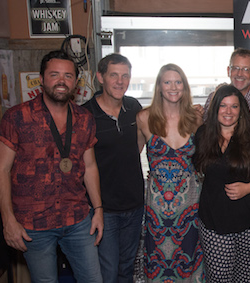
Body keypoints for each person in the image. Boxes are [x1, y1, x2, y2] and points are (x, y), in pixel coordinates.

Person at [0, 50, 103, 282]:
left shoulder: (85, 119)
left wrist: (99, 210)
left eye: (68, 76)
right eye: (55, 75)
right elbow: (1, 170)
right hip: (34, 223)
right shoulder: (16, 117)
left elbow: (90, 167)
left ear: (76, 82)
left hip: (77, 219)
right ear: (42, 79)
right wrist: (8, 220)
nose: (62, 81)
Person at [136, 63, 204, 282]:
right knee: (157, 262)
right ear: (159, 87)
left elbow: (204, 160)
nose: (173, 87)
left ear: (184, 87)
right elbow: (131, 157)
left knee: (189, 259)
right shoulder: (144, 118)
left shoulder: (195, 119)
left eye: (178, 82)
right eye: (167, 82)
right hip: (157, 207)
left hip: (190, 206)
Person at [82, 53, 144, 283]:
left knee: (126, 269)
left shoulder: (133, 107)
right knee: (107, 272)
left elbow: (139, 144)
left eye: (125, 76)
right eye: (114, 75)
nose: (120, 81)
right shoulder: (85, 114)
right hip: (103, 209)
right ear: (100, 77)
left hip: (134, 205)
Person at [193, 85, 250, 282]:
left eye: (234, 106)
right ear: (215, 108)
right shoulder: (202, 135)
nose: (228, 111)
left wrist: (249, 187)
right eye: (223, 106)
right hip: (214, 223)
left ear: (241, 110)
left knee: (248, 278)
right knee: (219, 278)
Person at [204, 48, 250, 134]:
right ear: (229, 71)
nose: (239, 74)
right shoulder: (212, 99)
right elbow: (206, 134)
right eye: (236, 68)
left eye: (246, 69)